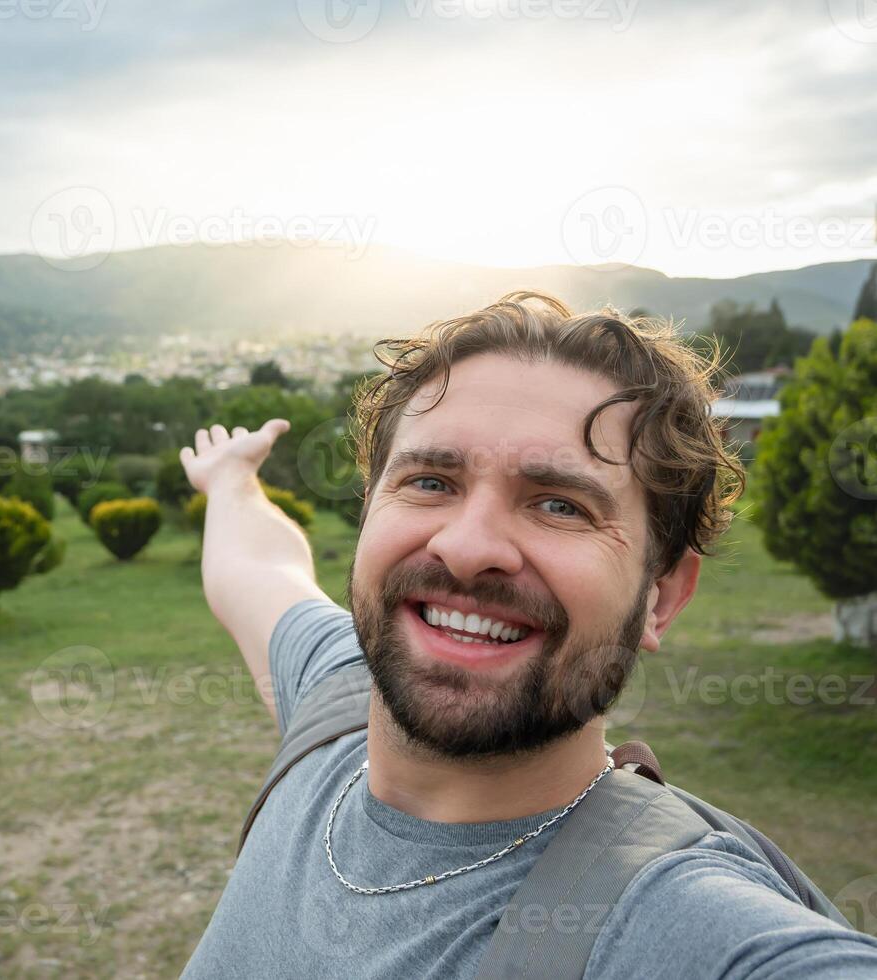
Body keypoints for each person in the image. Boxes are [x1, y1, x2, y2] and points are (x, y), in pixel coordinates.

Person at [177, 292, 877, 978]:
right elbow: (258, 565)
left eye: (558, 504)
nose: (467, 545)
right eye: (429, 482)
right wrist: (232, 480)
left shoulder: (686, 926)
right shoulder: (331, 700)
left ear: (660, 598)